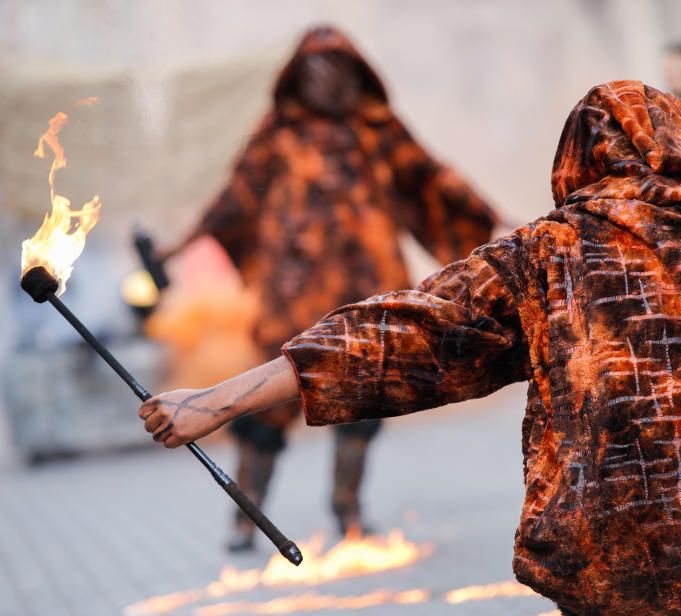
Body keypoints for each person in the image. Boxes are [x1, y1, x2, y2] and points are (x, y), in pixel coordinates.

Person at [141, 81, 681, 616]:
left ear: (580, 162)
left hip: (631, 565)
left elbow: (393, 333)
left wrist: (217, 400)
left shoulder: (550, 257)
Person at [160, 25, 497, 551]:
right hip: (292, 292)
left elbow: (430, 179)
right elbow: (237, 197)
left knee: (362, 397)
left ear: (356, 74)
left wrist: (489, 216)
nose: (327, 80)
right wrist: (182, 242)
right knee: (264, 406)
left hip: (367, 288)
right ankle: (246, 517)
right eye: (316, 70)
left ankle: (349, 509)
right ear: (297, 76)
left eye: (338, 70)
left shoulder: (377, 129)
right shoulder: (279, 133)